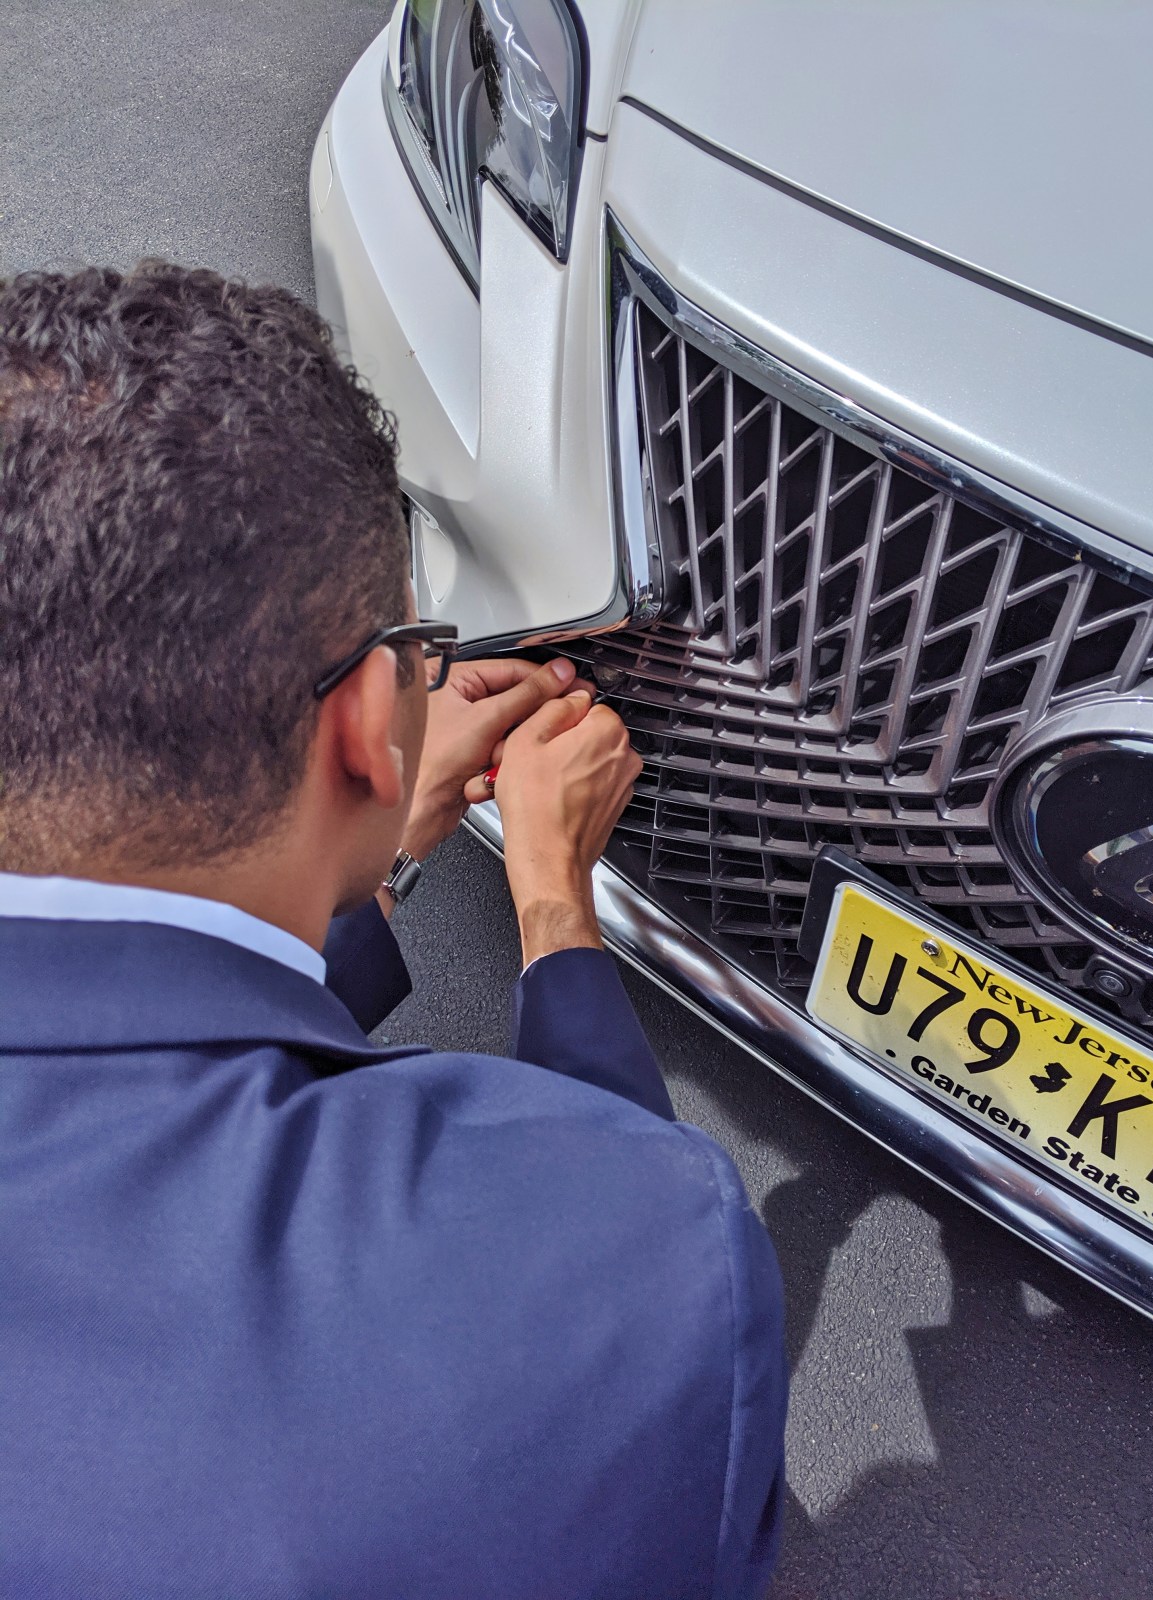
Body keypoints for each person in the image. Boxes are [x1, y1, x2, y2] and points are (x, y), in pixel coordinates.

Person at [0, 263, 787, 1599]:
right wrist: (552, 901)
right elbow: (596, 1256)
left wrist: (376, 832)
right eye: (418, 649)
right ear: (372, 722)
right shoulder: (646, 1242)